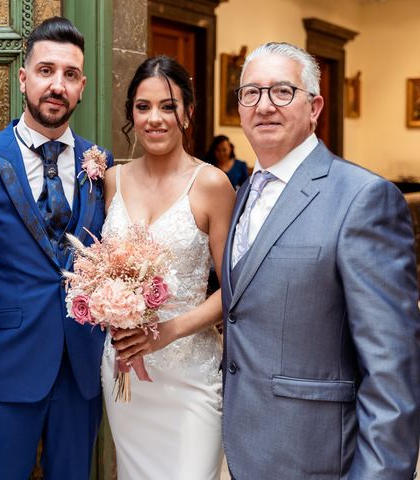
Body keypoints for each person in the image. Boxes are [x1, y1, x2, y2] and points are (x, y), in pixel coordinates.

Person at [221, 42, 420, 479]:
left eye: (282, 91)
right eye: (251, 93)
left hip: (318, 458)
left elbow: (391, 371)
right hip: (247, 450)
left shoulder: (364, 199)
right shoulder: (244, 193)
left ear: (315, 107)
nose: (264, 105)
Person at [0, 16, 114, 479]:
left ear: (82, 86)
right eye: (46, 71)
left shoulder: (99, 163)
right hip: (6, 364)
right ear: (23, 78)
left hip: (81, 368)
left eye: (69, 75)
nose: (57, 85)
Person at [101, 55, 235, 479]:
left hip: (189, 373)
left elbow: (235, 289)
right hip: (124, 374)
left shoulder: (212, 185)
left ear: (188, 113)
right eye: (143, 107)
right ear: (131, 114)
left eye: (168, 106)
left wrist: (165, 333)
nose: (155, 118)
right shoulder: (111, 181)